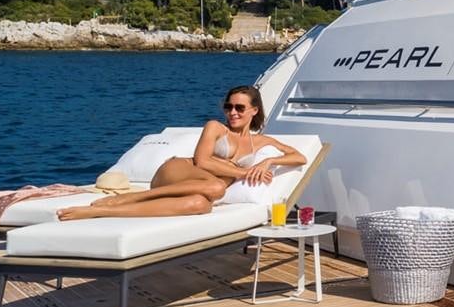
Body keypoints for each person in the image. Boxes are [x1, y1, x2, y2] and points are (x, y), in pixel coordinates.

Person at [57, 86, 306, 221]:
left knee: (200, 205)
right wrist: (245, 171)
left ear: (254, 110)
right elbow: (202, 161)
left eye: (239, 107)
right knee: (217, 189)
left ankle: (103, 211)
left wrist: (270, 160)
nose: (233, 112)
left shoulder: (262, 142)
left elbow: (299, 157)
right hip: (176, 172)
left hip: (200, 189)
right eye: (228, 106)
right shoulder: (216, 128)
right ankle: (127, 199)